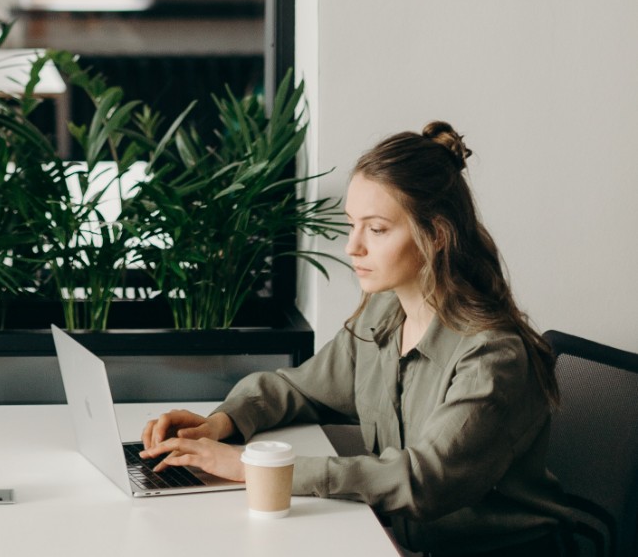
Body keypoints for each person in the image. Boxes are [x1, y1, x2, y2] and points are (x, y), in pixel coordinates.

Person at [140, 122, 570, 557]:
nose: (352, 247)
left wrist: (255, 467)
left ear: (436, 235)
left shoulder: (492, 356)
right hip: (394, 541)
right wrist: (220, 424)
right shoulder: (384, 315)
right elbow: (298, 387)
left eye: (377, 229)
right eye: (352, 225)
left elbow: (424, 481)